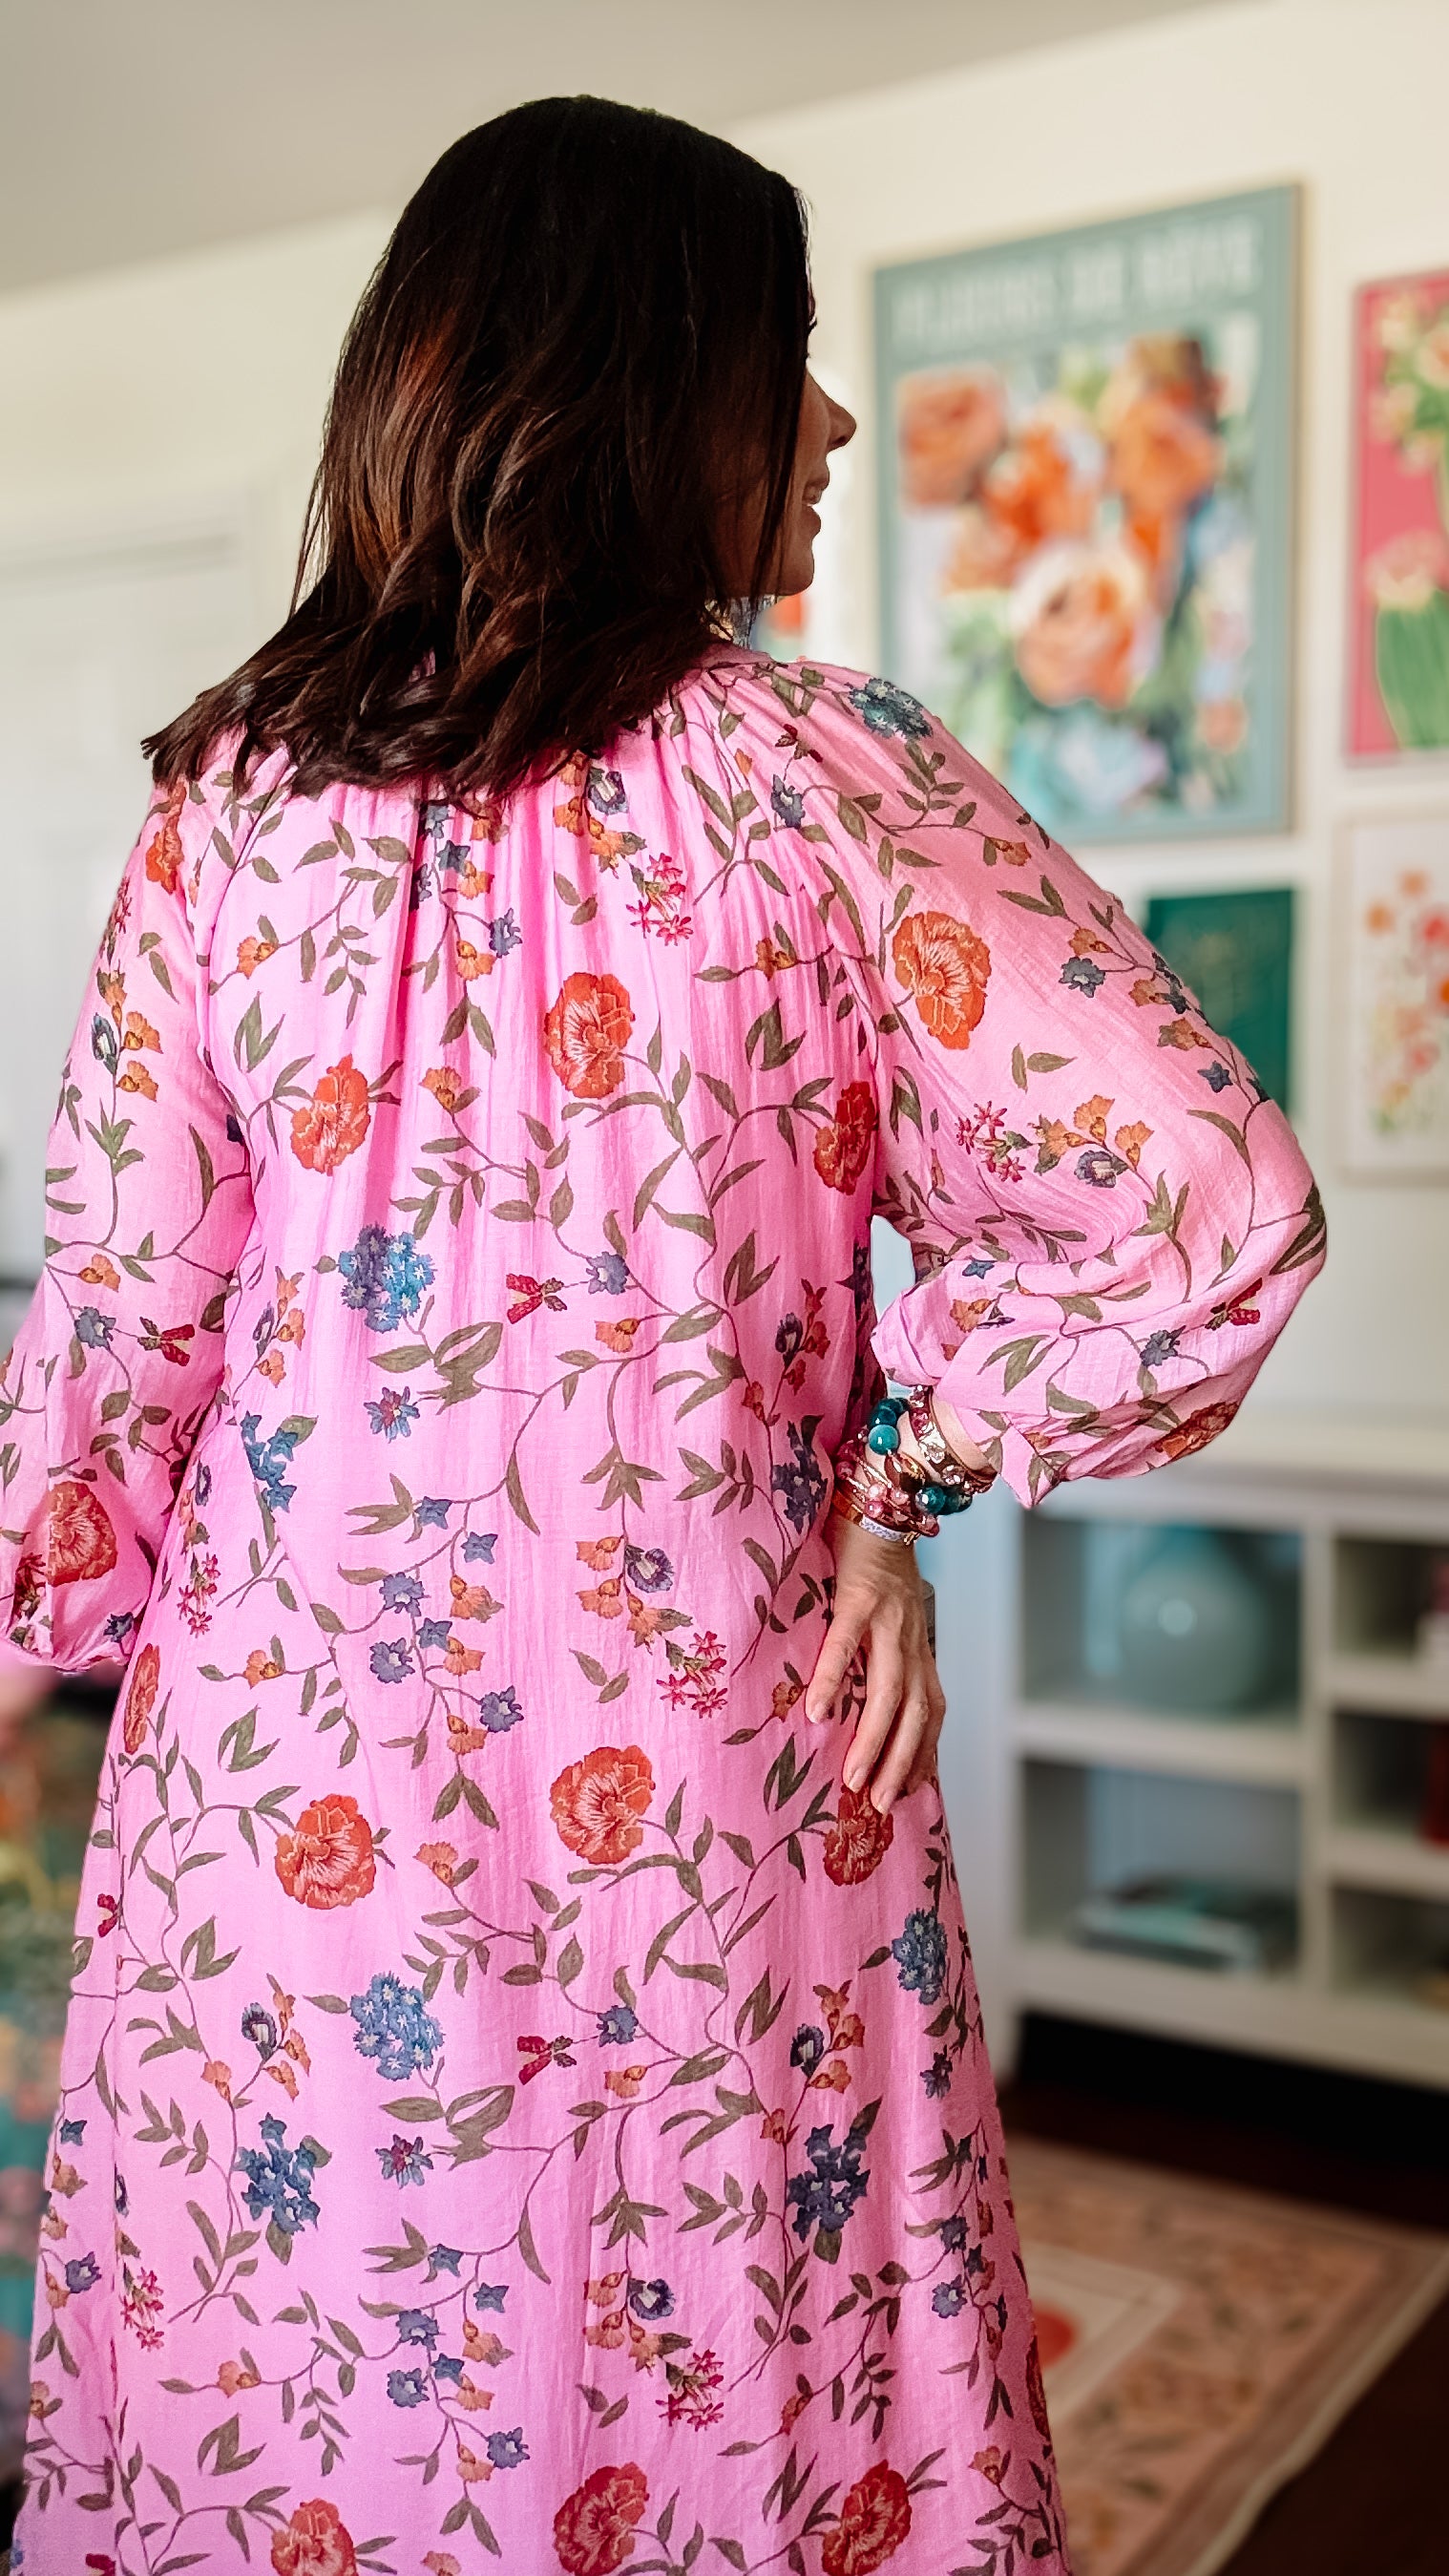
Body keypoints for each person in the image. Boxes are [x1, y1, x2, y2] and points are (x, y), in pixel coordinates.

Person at [1, 95, 1323, 2573]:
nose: (830, 420)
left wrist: (45, 1641)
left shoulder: (226, 814)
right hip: (718, 1795)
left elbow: (104, 1369)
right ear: (647, 380)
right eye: (786, 351)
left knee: (326, 2413)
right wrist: (906, 1480)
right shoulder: (826, 781)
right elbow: (1209, 1209)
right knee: (733, 2392)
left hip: (293, 1826)